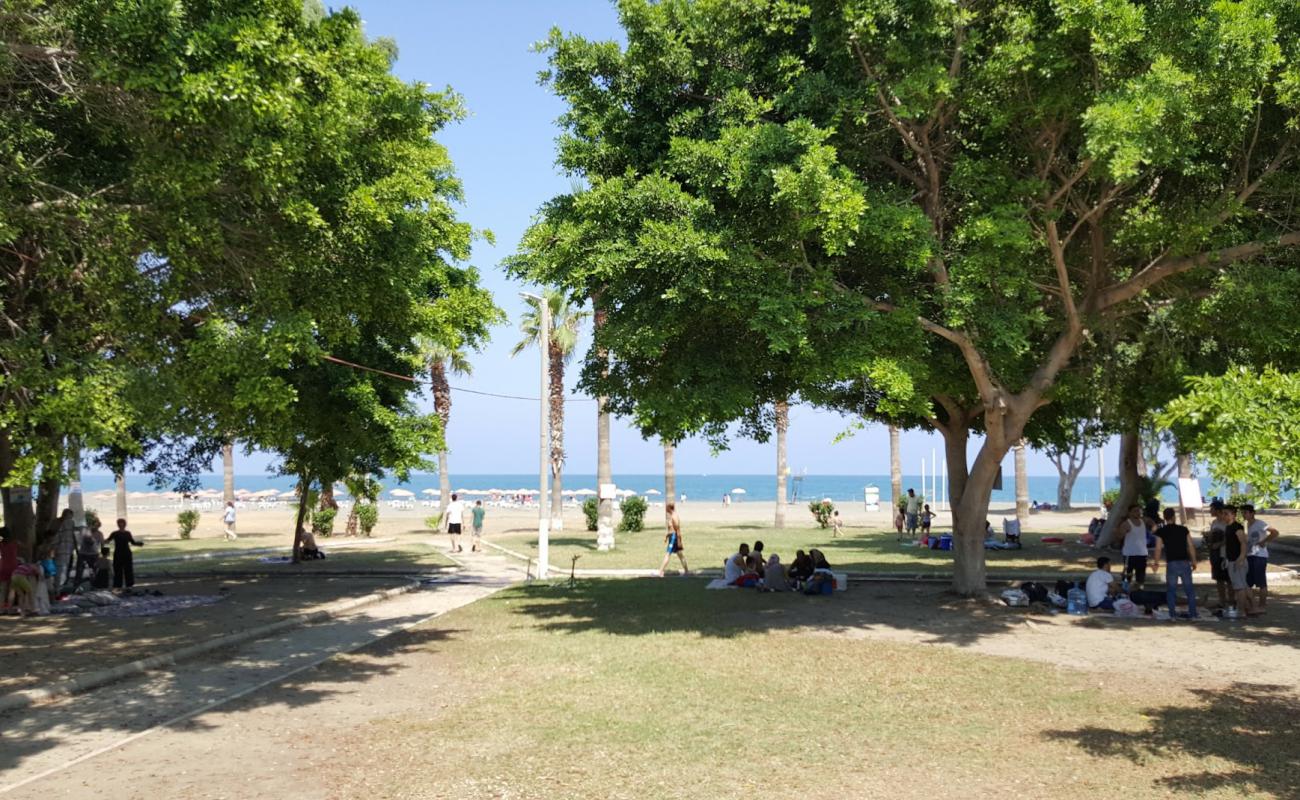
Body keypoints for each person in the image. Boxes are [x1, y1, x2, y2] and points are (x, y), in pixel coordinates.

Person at [1152, 507, 1198, 619]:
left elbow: (1158, 548)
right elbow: (1191, 546)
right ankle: (1193, 614)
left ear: (1164, 517)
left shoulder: (1161, 531)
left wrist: (1156, 563)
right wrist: (1194, 561)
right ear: (1174, 516)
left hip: (1172, 563)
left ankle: (1172, 614)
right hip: (1184, 561)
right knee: (1189, 590)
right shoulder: (1183, 529)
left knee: (1171, 590)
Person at [1222, 505, 1256, 617]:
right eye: (1223, 513)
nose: (1224, 516)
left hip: (1238, 562)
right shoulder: (1228, 527)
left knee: (1239, 587)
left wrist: (1241, 558)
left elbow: (1243, 543)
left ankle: (1241, 611)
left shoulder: (1237, 527)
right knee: (1243, 586)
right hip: (1231, 560)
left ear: (1233, 515)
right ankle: (1251, 608)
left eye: (1227, 513)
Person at [1242, 504, 1278, 610]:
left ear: (1252, 513)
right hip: (1250, 555)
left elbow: (1275, 532)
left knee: (1261, 581)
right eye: (1243, 513)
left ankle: (1262, 604)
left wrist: (1264, 541)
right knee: (1248, 581)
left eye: (1246, 512)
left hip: (1260, 556)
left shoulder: (1260, 523)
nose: (1244, 515)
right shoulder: (1248, 524)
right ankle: (1252, 603)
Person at [1116, 504, 1149, 590]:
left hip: (1142, 554)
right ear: (1130, 513)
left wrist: (1154, 528)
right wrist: (1121, 531)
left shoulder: (1143, 521)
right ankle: (1125, 594)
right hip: (1129, 554)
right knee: (1127, 576)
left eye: (1139, 511)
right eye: (1135, 511)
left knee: (1141, 577)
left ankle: (1139, 594)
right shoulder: (1126, 523)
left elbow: (1152, 522)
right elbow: (1119, 536)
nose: (1138, 513)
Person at [1205, 501, 1230, 608]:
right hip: (1215, 554)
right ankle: (1222, 601)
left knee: (1229, 579)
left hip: (1225, 554)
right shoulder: (1214, 522)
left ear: (1218, 510)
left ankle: (1232, 601)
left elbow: (1230, 537)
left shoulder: (1226, 523)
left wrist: (1220, 543)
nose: (1210, 511)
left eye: (1212, 509)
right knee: (1218, 579)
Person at [108, 518, 143, 589]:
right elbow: (107, 541)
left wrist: (139, 544)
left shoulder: (128, 533)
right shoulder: (115, 533)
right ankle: (117, 586)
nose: (121, 525)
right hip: (118, 554)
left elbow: (132, 542)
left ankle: (129, 585)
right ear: (117, 525)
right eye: (119, 523)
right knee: (118, 570)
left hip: (127, 553)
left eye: (122, 523)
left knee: (128, 570)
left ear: (124, 525)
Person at [657, 501, 689, 577]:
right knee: (680, 555)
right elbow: (671, 529)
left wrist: (679, 540)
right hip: (672, 537)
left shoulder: (674, 517)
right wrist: (667, 536)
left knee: (668, 554)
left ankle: (661, 571)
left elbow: (677, 530)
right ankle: (687, 571)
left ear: (669, 508)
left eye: (666, 507)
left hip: (674, 538)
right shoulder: (671, 516)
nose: (665, 509)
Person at [74, 518, 105, 587]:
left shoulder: (100, 534)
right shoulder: (86, 531)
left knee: (93, 570)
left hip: (93, 554)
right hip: (83, 553)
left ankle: (93, 584)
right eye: (94, 525)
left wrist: (103, 555)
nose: (96, 527)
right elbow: (83, 538)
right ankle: (76, 585)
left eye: (97, 526)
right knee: (79, 570)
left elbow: (102, 544)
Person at [51, 509, 76, 591]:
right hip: (64, 550)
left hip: (57, 550)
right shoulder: (69, 523)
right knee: (61, 571)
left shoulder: (56, 522)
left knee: (56, 570)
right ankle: (57, 589)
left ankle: (55, 588)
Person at [0, 526, 17, 607]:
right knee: (12, 589)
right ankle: (10, 608)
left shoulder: (1, 544)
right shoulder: (15, 543)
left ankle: (1, 608)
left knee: (3, 589)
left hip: (3, 567)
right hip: (13, 567)